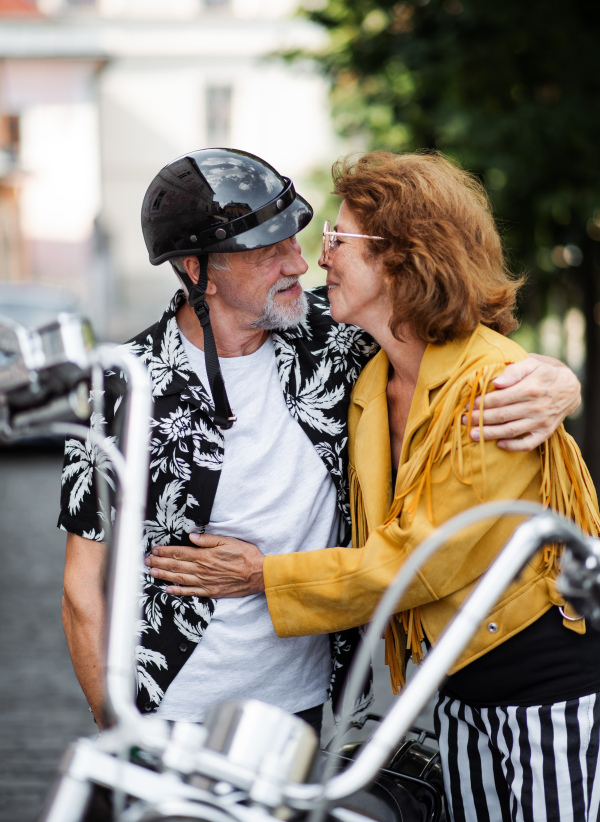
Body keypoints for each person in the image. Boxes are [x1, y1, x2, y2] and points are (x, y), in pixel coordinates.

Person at [61, 147, 578, 743]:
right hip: (169, 705)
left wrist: (556, 378)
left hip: (303, 709)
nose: (299, 265)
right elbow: (83, 584)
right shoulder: (122, 385)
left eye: (297, 241)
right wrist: (114, 720)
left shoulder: (338, 340)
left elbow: (458, 345)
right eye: (268, 251)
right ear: (199, 270)